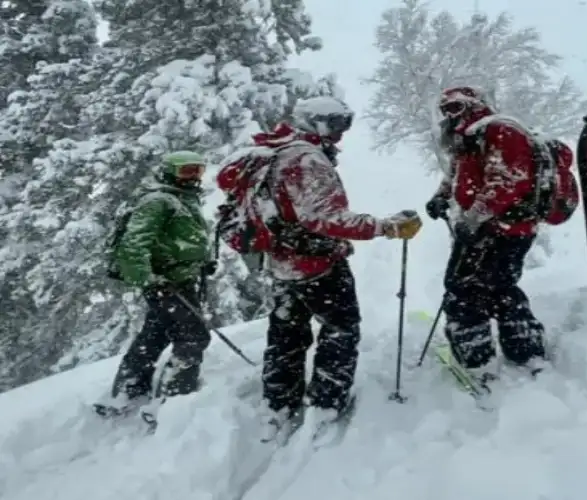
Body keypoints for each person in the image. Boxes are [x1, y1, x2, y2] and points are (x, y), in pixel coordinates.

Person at [229, 96, 422, 439]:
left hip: (281, 263)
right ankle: (326, 403)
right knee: (340, 329)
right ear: (316, 123)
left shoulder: (274, 153)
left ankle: (279, 402)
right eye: (335, 124)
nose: (340, 135)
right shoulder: (306, 158)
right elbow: (326, 218)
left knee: (286, 335)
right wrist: (385, 226)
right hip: (317, 265)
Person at [425, 86, 562, 380]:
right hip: (506, 227)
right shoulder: (471, 135)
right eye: (446, 109)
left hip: (496, 228)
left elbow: (508, 180)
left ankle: (476, 358)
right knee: (500, 286)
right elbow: (458, 174)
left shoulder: (497, 130)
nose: (450, 114)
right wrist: (441, 195)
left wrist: (474, 218)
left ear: (474, 104)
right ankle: (524, 347)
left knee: (464, 288)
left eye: (456, 106)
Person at [98, 151, 215, 415]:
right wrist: (149, 279)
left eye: (198, 170)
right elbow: (133, 244)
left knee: (155, 334)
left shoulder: (182, 200)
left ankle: (128, 391)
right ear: (169, 171)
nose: (193, 177)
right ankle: (172, 401)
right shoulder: (158, 200)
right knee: (194, 337)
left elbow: (183, 240)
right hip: (166, 283)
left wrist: (202, 261)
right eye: (186, 171)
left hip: (179, 280)